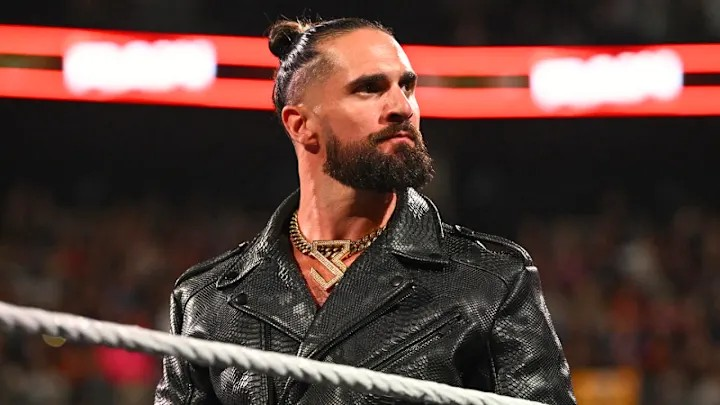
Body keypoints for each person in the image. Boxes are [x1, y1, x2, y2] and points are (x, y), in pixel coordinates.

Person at [154, 16, 576, 405]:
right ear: (301, 125)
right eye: (369, 88)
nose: (402, 107)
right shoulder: (206, 301)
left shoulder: (490, 282)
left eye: (406, 86)